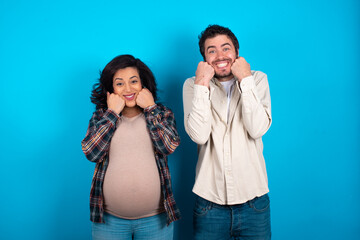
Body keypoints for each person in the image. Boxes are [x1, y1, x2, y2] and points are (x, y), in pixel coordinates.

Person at [183, 25, 272, 239]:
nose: (220, 55)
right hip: (209, 205)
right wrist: (202, 83)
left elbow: (257, 128)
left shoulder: (257, 80)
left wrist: (245, 80)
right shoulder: (192, 85)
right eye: (211, 50)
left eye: (226, 48)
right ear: (204, 58)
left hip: (254, 203)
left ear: (237, 52)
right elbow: (199, 135)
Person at [82, 54, 181, 240]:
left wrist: (151, 109)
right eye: (119, 83)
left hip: (156, 220)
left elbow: (167, 146)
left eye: (133, 81)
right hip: (109, 221)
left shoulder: (162, 114)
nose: (128, 89)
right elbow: (91, 152)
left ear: (143, 84)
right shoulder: (101, 118)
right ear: (111, 89)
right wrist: (112, 113)